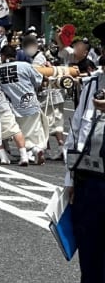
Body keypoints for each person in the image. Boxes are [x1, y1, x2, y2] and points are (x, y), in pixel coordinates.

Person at [63, 57, 105, 280]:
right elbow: (76, 131)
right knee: (90, 258)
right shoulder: (91, 86)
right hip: (88, 181)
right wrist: (69, 181)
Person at [0, 45, 47, 164]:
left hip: (12, 106)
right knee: (34, 132)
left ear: (3, 56)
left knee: (19, 131)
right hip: (29, 102)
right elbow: (38, 81)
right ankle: (35, 149)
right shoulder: (25, 66)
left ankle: (30, 153)